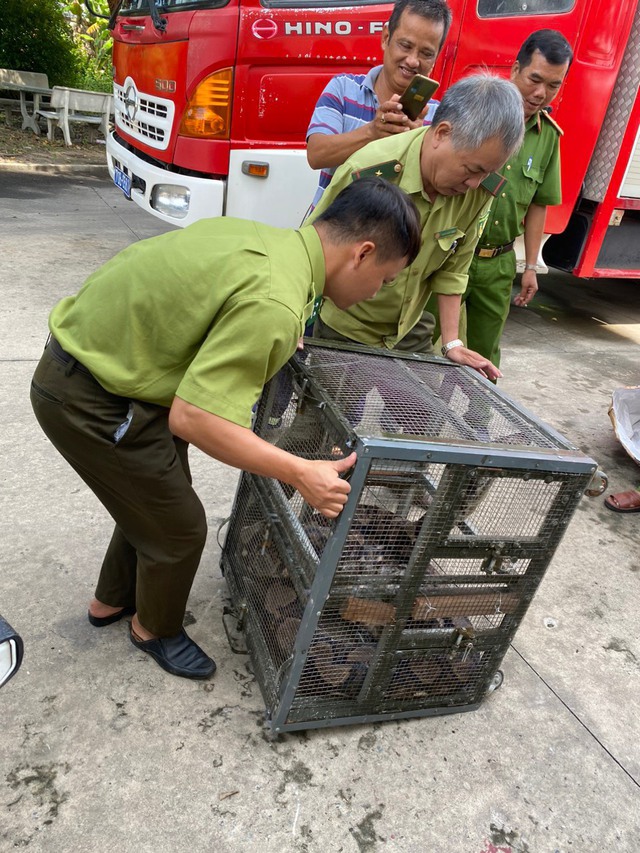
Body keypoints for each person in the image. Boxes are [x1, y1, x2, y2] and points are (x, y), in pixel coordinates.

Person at [30, 178, 421, 681]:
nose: (378, 293)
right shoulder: (275, 301)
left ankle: (111, 601)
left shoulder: (275, 247)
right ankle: (154, 629)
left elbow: (237, 304)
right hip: (89, 396)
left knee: (156, 499)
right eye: (385, 280)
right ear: (362, 254)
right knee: (181, 526)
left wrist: (280, 329)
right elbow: (196, 419)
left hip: (114, 370)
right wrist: (300, 471)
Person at [306, 74, 525, 379]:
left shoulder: (479, 188)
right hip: (347, 325)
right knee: (330, 418)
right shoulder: (370, 169)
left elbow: (455, 268)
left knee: (420, 418)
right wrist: (295, 322)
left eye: (485, 172)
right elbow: (312, 249)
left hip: (410, 325)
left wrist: (452, 342)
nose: (474, 183)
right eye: (471, 169)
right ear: (442, 133)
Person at [451, 29, 573, 368]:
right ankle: (417, 417)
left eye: (553, 85)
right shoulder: (474, 115)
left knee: (486, 354)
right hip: (451, 250)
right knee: (433, 343)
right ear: (515, 69)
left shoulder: (548, 137)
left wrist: (531, 265)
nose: (540, 93)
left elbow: (538, 204)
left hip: (498, 262)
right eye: (535, 79)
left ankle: (477, 420)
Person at [306, 0, 452, 211]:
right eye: (405, 45)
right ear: (386, 38)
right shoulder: (343, 88)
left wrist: (415, 144)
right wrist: (373, 132)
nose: (413, 61)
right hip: (326, 232)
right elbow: (316, 155)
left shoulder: (438, 118)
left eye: (426, 53)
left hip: (390, 240)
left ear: (436, 57)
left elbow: (439, 190)